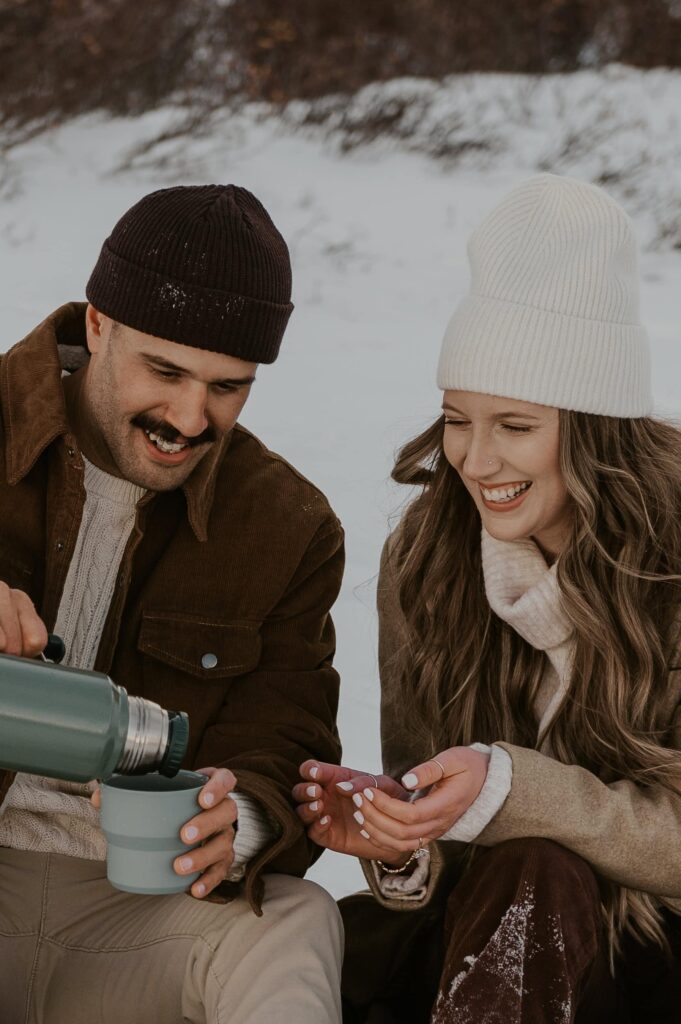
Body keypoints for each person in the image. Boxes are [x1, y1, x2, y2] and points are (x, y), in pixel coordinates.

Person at [295, 174, 681, 1022]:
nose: (473, 460)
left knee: (541, 860)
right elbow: (427, 798)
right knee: (515, 875)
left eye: (514, 426)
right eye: (455, 419)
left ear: (593, 428)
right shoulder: (426, 563)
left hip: (655, 962)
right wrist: (398, 841)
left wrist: (522, 792)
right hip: (488, 951)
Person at [0, 184, 345, 1023]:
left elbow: (287, 739)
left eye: (228, 387)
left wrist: (246, 823)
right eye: (165, 371)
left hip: (139, 913)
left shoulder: (286, 526)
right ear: (96, 324)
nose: (190, 418)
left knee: (298, 921)